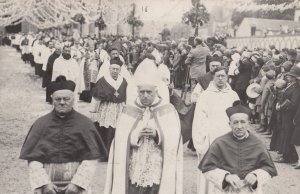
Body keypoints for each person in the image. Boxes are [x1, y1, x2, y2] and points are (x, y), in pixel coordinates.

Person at [104, 58, 183, 194]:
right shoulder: (129, 110)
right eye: (142, 92)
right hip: (135, 164)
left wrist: (157, 135)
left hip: (156, 165)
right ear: (137, 91)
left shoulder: (167, 110)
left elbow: (175, 139)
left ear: (156, 91)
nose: (145, 96)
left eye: (149, 92)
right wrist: (136, 136)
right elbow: (120, 140)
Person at [20, 76, 103, 194]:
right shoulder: (40, 124)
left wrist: (77, 183)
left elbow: (91, 159)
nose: (62, 102)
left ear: (73, 99)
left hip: (77, 188)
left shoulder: (85, 124)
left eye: (66, 99)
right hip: (47, 188)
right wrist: (44, 183)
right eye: (58, 99)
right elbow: (33, 159)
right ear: (52, 99)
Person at [199, 101, 278, 194]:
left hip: (250, 191)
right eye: (235, 122)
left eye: (243, 122)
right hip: (227, 191)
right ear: (230, 124)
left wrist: (256, 175)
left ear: (248, 123)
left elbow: (268, 168)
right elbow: (207, 168)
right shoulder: (219, 143)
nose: (239, 126)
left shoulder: (258, 143)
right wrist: (225, 177)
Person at [192, 66, 239, 194]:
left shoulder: (233, 95)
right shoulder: (205, 95)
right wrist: (202, 139)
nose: (220, 78)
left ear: (227, 77)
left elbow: (238, 116)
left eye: (223, 76)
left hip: (229, 137)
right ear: (212, 77)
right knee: (211, 169)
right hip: (211, 137)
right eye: (217, 76)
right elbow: (199, 119)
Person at [90, 57, 128, 157]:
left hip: (119, 108)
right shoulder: (102, 80)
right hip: (106, 108)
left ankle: (117, 153)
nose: (115, 71)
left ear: (120, 70)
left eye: (117, 69)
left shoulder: (123, 81)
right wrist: (93, 111)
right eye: (113, 69)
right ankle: (105, 153)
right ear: (109, 69)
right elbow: (96, 97)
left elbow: (126, 96)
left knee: (119, 129)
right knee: (106, 129)